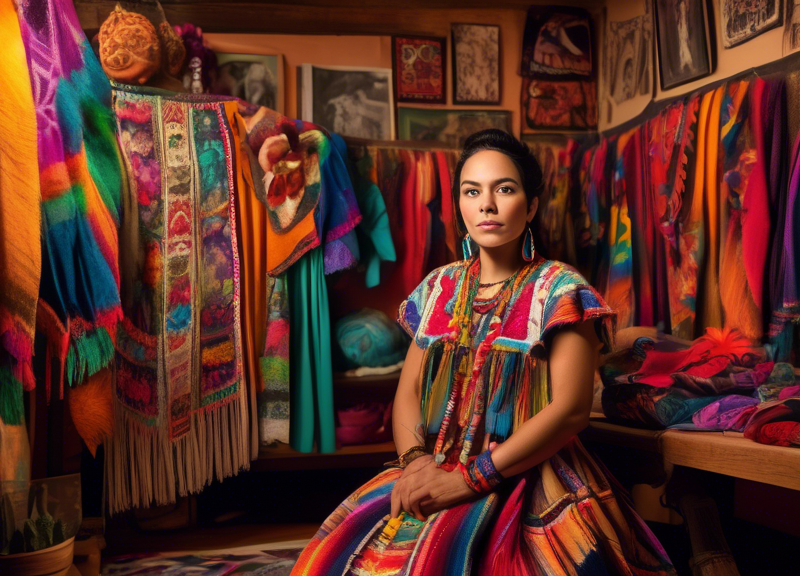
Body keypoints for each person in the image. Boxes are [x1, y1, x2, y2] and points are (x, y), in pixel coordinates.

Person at [291, 130, 676, 575]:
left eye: (504, 189)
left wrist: (471, 479)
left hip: (528, 473)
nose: (486, 205)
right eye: (471, 191)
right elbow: (409, 390)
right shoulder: (439, 288)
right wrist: (415, 466)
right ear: (459, 204)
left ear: (530, 206)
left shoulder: (561, 291)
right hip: (434, 465)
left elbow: (570, 411)